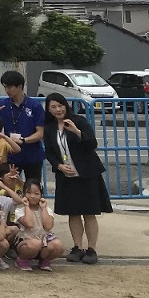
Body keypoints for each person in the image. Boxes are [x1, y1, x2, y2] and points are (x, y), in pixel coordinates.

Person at [43, 93, 111, 264]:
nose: (58, 109)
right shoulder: (50, 127)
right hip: (66, 175)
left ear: (66, 105)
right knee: (73, 213)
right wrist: (59, 166)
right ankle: (77, 247)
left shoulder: (78, 121)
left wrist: (77, 132)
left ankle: (92, 249)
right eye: (53, 107)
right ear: (48, 109)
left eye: (60, 105)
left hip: (87, 174)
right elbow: (50, 152)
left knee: (89, 212)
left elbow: (92, 144)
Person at [0, 70, 47, 182]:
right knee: (10, 187)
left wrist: (24, 140)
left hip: (32, 155)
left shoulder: (34, 106)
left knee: (33, 187)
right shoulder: (2, 105)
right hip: (11, 155)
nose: (7, 90)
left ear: (19, 86)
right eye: (5, 87)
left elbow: (40, 133)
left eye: (10, 87)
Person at [14, 178, 65, 271]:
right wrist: (26, 206)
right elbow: (29, 224)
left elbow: (48, 226)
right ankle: (22, 259)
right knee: (35, 244)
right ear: (24, 194)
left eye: (36, 193)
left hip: (44, 241)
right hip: (27, 241)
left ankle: (45, 260)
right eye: (29, 193)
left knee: (58, 245)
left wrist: (43, 208)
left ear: (41, 195)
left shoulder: (46, 209)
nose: (32, 196)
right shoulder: (20, 210)